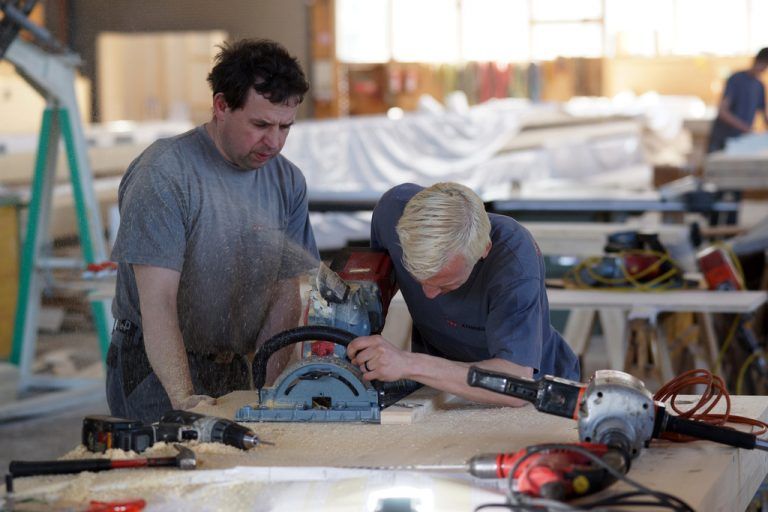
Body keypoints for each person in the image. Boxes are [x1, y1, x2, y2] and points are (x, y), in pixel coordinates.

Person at [107, 39, 319, 423]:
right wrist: (184, 399)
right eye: (260, 125)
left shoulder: (288, 181)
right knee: (178, 456)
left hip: (231, 363)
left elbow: (286, 292)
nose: (274, 141)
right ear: (221, 106)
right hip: (156, 366)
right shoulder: (165, 173)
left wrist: (270, 395)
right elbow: (158, 303)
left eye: (285, 127)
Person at [347, 182, 579, 407]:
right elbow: (374, 287)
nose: (428, 294)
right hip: (436, 385)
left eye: (445, 285)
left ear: (484, 249)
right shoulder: (393, 211)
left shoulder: (514, 259)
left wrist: (408, 364)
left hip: (537, 396)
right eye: (418, 279)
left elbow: (516, 382)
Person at [707, 47, 768, 153]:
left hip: (741, 141)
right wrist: (744, 128)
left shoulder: (759, 86)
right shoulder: (736, 79)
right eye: (764, 65)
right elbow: (722, 112)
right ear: (757, 61)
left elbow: (763, 115)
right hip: (723, 139)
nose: (764, 69)